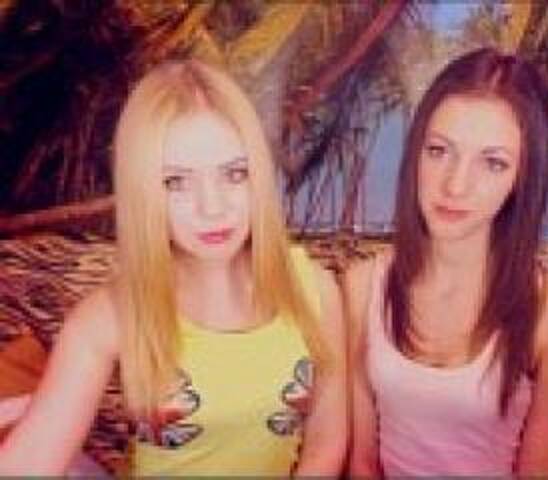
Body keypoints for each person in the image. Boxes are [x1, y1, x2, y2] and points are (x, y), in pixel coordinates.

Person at [0, 58, 347, 476]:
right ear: (143, 191)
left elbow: (327, 441)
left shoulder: (315, 290)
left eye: (234, 173)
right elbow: (29, 462)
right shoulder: (111, 314)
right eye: (176, 182)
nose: (212, 207)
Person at [346, 47, 548, 478]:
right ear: (416, 153)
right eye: (439, 151)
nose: (456, 185)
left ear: (522, 178)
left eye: (493, 163)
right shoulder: (363, 286)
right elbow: (362, 463)